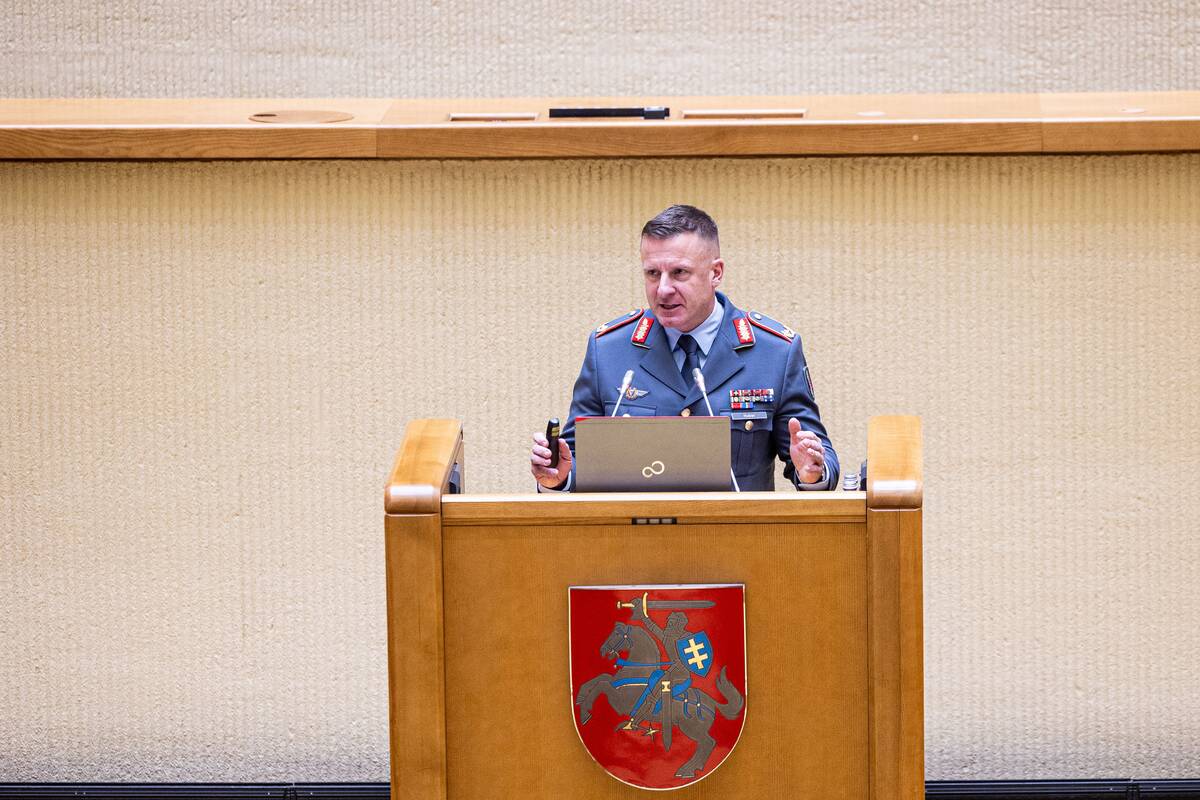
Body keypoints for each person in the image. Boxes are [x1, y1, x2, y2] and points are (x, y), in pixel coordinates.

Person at [530, 204, 838, 492]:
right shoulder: (609, 350)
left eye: (679, 273)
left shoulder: (774, 352)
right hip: (634, 531)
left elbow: (819, 461)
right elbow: (573, 459)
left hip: (734, 531)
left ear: (715, 273)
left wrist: (811, 472)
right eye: (653, 273)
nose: (663, 289)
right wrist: (558, 477)